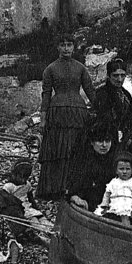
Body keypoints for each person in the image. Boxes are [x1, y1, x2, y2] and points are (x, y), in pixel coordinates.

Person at [37, 36, 95, 202]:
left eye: (69, 45)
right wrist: (43, 118)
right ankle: (54, 188)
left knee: (75, 147)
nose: (66, 48)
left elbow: (90, 92)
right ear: (58, 47)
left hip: (77, 113)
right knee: (57, 149)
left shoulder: (81, 68)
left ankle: (73, 187)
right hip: (57, 113)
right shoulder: (50, 69)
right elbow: (46, 94)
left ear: (74, 47)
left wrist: (100, 110)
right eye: (62, 45)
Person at [67, 125, 120, 212]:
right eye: (99, 141)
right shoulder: (84, 160)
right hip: (90, 201)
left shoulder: (114, 161)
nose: (104, 145)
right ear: (92, 142)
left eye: (107, 141)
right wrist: (74, 196)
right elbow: (75, 182)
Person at [92, 58, 132, 148]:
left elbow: (131, 119)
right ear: (108, 76)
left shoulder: (126, 95)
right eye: (115, 75)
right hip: (105, 141)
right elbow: (103, 120)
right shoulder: (102, 94)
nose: (119, 79)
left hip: (122, 140)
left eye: (122, 75)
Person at [95, 154, 132, 228]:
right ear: (116, 171)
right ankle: (126, 230)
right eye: (121, 169)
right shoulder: (113, 182)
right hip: (118, 203)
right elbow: (107, 194)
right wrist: (105, 206)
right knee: (124, 216)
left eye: (128, 169)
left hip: (130, 203)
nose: (124, 172)